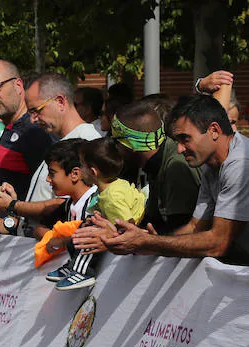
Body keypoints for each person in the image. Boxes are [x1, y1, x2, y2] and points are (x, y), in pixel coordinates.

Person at [99, 94, 249, 265]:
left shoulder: (240, 163)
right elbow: (194, 227)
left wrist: (149, 242)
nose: (179, 149)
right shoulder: (211, 164)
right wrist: (142, 242)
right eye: (177, 140)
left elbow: (218, 243)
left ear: (214, 130)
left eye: (185, 139)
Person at [0, 72, 101, 240]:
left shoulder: (87, 144)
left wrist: (13, 205)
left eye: (37, 111)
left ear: (60, 102)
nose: (33, 119)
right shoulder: (63, 143)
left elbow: (67, 205)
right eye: (30, 113)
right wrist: (11, 216)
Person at [49, 137, 145, 291]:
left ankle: (83, 272)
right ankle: (74, 265)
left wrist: (103, 231)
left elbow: (128, 224)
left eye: (82, 166)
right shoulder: (110, 187)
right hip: (115, 227)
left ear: (93, 172)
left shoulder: (112, 197)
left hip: (127, 235)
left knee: (91, 234)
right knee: (84, 227)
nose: (79, 170)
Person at [0, 61, 55, 239]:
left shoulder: (34, 132)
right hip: (0, 241)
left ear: (18, 85)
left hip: (24, 248)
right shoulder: (10, 126)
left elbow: (51, 201)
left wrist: (8, 224)